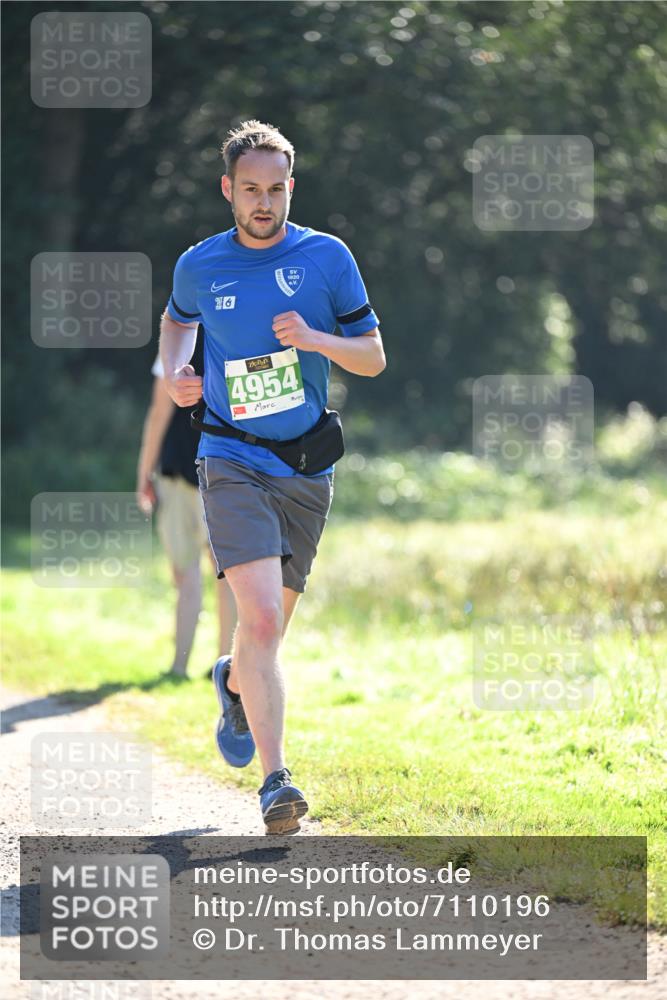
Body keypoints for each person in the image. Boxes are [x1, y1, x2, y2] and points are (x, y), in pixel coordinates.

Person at [160, 119, 385, 834]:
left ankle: (230, 678)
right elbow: (175, 323)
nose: (264, 202)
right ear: (228, 190)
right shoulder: (201, 263)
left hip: (305, 467)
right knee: (256, 617)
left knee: (266, 635)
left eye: (276, 189)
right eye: (250, 189)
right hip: (228, 456)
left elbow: (373, 356)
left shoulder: (326, 258)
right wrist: (176, 376)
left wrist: (315, 339)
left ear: (292, 187)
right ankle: (275, 781)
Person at [136, 329, 237, 677]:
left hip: (186, 471)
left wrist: (143, 474)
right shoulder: (239, 329)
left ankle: (182, 665)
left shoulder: (178, 338)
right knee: (225, 573)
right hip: (224, 471)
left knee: (188, 572)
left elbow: (158, 413)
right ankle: (223, 666)